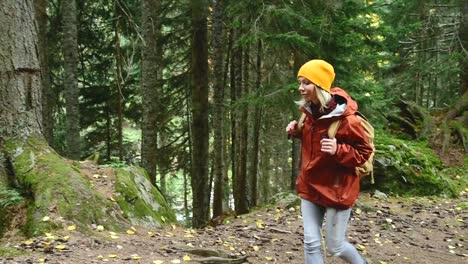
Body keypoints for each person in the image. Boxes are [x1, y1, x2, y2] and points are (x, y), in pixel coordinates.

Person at [286, 59, 373, 264]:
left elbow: (364, 152)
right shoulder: (309, 112)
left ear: (319, 85)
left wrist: (338, 149)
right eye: (300, 82)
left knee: (335, 246)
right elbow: (313, 138)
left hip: (337, 190)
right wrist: (296, 131)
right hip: (310, 185)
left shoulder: (347, 119)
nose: (301, 88)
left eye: (306, 83)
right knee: (311, 242)